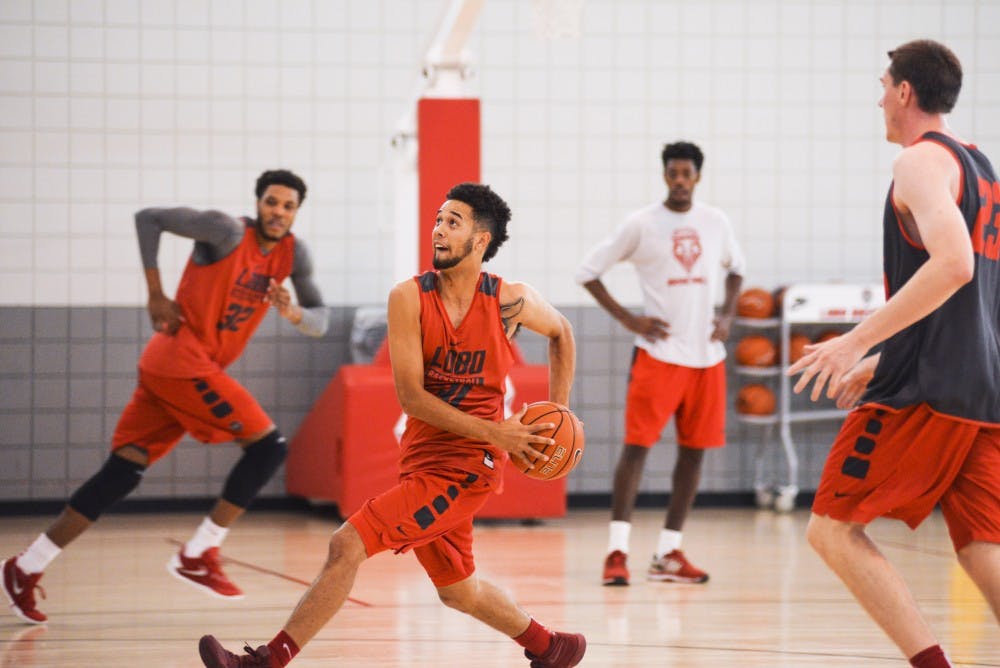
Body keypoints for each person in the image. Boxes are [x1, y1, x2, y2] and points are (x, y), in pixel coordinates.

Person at [197, 183, 584, 668]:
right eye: (438, 219)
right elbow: (412, 399)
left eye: (453, 221)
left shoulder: (510, 301)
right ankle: (554, 648)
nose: (438, 229)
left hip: (467, 469)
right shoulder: (409, 298)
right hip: (424, 459)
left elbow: (563, 332)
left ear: (481, 240)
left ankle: (266, 662)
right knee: (459, 591)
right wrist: (498, 432)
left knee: (346, 544)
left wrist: (559, 415)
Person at [2, 169, 329, 624]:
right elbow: (148, 218)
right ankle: (198, 553)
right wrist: (155, 294)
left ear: (297, 212)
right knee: (268, 447)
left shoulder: (295, 255)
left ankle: (25, 567)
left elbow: (322, 321)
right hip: (181, 360)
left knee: (121, 474)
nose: (278, 211)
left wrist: (291, 311)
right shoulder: (227, 231)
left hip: (179, 370)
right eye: (271, 202)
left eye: (288, 206)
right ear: (258, 203)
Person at [788, 40, 1000, 668]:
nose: (879, 97)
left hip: (929, 390)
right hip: (982, 385)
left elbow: (956, 267)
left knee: (831, 529)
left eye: (883, 85)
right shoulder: (982, 167)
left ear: (905, 91)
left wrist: (859, 341)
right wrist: (881, 361)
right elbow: (972, 297)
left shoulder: (919, 163)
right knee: (982, 544)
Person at [576, 141, 745, 586]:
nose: (680, 180)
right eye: (673, 172)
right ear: (664, 175)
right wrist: (629, 319)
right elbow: (588, 271)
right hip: (659, 356)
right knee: (636, 450)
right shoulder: (641, 224)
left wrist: (727, 314)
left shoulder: (716, 222)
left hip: (707, 358)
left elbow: (737, 270)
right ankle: (616, 552)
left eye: (687, 173)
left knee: (693, 456)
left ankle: (668, 553)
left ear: (698, 177)